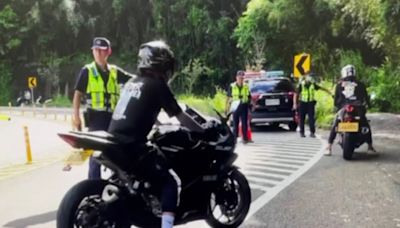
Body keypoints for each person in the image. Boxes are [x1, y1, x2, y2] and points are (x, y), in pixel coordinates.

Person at [108, 40, 205, 228]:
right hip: (132, 145)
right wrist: (201, 130)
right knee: (170, 182)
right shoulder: (157, 85)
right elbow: (180, 115)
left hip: (114, 141)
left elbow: (141, 110)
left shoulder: (132, 82)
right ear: (160, 64)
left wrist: (159, 124)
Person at [69, 37, 133, 178]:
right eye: (95, 50)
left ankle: (118, 182)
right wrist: (76, 116)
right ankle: (93, 185)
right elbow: (77, 94)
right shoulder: (87, 70)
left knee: (116, 151)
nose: (97, 53)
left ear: (108, 52)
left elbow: (133, 80)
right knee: (95, 154)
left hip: (113, 118)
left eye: (101, 50)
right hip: (96, 118)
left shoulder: (114, 71)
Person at [325, 64, 376, 156]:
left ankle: (329, 147)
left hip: (343, 108)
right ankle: (370, 146)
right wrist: (368, 105)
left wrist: (338, 106)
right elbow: (366, 98)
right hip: (358, 108)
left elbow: (336, 101)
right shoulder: (360, 84)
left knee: (336, 124)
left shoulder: (339, 85)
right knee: (365, 124)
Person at [293, 72, 332, 138]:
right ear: (305, 77)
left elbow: (321, 88)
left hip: (310, 103)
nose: (310, 78)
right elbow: (296, 94)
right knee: (302, 118)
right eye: (308, 76)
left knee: (311, 119)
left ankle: (312, 132)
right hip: (302, 103)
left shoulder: (312, 84)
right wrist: (295, 104)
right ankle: (302, 133)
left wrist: (329, 92)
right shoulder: (301, 84)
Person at [225, 70, 254, 144]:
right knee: (235, 123)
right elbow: (228, 97)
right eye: (239, 77)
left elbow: (249, 96)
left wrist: (252, 104)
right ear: (236, 78)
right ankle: (234, 139)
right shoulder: (232, 86)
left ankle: (245, 138)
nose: (241, 79)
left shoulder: (246, 86)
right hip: (235, 106)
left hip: (244, 106)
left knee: (244, 123)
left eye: (242, 78)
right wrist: (226, 108)